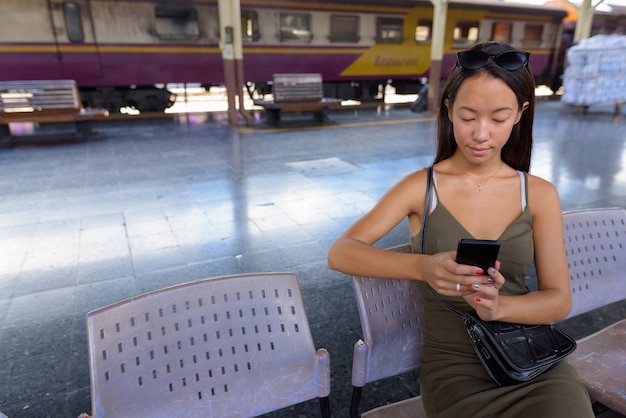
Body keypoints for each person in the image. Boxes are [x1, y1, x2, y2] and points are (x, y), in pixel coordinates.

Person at [327, 42, 594, 417]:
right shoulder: (420, 187)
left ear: (521, 113)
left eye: (498, 118)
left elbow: (558, 300)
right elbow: (341, 252)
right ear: (449, 109)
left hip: (530, 362)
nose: (480, 134)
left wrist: (501, 306)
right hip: (454, 372)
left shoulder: (539, 194)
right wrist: (422, 267)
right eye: (468, 117)